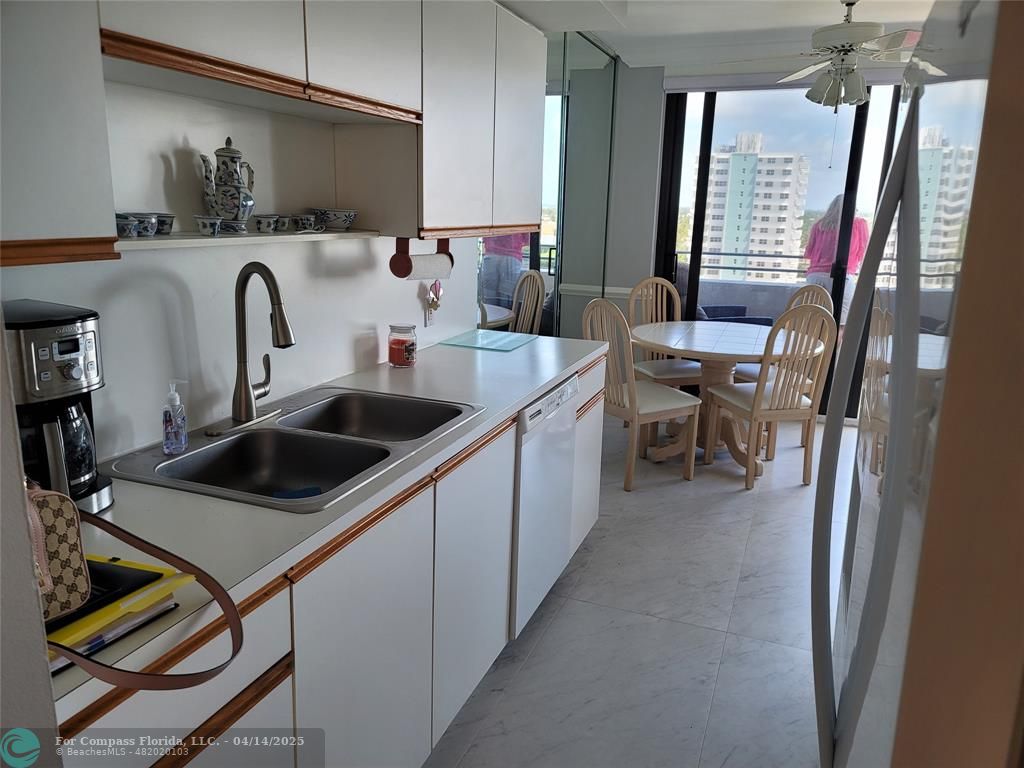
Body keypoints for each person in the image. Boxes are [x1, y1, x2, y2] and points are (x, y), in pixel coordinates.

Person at [803, 194, 869, 326]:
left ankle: (815, 346)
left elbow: (810, 251)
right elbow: (865, 252)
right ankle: (833, 346)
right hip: (841, 277)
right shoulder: (858, 224)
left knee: (814, 321)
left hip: (815, 276)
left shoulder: (819, 225)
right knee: (840, 324)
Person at [478, 233, 530, 309]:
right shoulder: (520, 220)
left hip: (491, 256)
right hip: (511, 258)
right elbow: (527, 240)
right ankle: (504, 320)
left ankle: (492, 320)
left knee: (489, 301)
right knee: (506, 301)